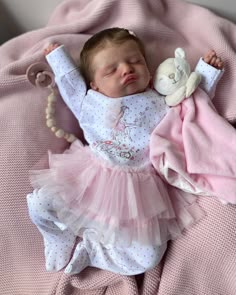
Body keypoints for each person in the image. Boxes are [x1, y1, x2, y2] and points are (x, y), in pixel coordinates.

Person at [27, 28, 224, 275]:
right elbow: (70, 85)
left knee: (148, 257)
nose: (127, 69)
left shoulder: (162, 104)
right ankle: (58, 234)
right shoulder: (89, 102)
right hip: (90, 176)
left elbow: (192, 106)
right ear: (95, 85)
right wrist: (57, 57)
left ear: (149, 71)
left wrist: (206, 72)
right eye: (111, 70)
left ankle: (94, 252)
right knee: (41, 202)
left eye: (135, 62)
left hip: (138, 192)